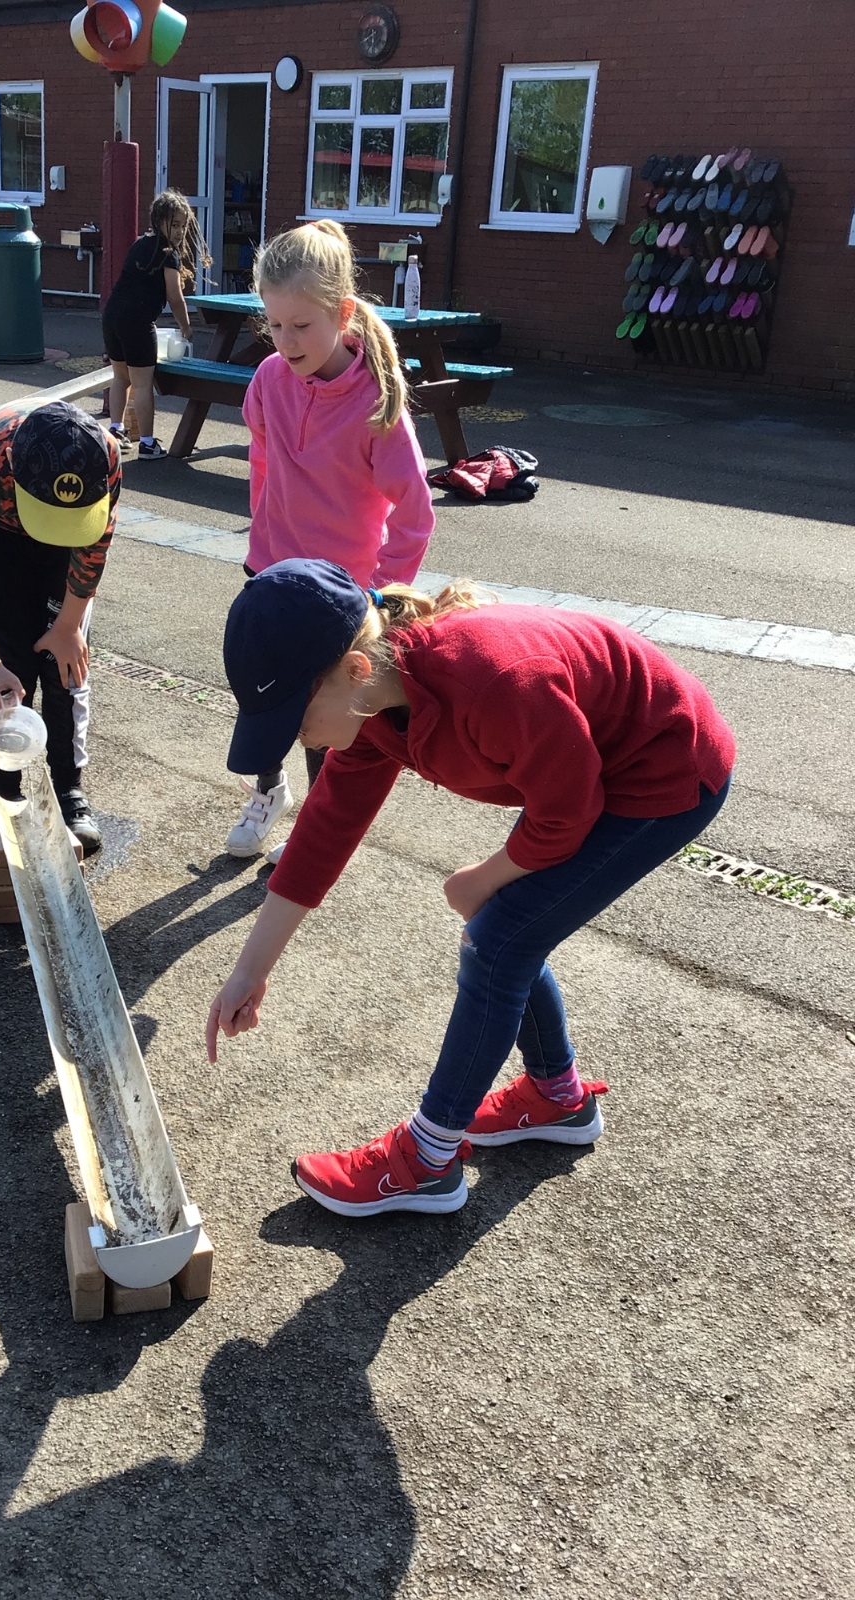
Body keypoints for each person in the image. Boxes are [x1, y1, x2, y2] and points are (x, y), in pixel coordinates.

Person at [206, 559, 736, 1218]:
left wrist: (484, 877)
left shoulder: (492, 681)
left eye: (295, 721)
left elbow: (567, 816)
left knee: (498, 939)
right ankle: (557, 1098)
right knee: (507, 934)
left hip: (665, 774)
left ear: (355, 670)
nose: (293, 740)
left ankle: (428, 1162)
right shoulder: (371, 709)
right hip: (583, 774)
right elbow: (324, 833)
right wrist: (250, 971)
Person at [225, 219, 434, 861]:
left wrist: (379, 597)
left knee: (324, 719)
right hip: (270, 573)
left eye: (300, 325)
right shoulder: (268, 379)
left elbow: (415, 513)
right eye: (274, 325)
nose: (285, 341)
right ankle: (268, 790)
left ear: (343, 314)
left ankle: (316, 827)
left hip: (341, 600)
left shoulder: (377, 404)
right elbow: (262, 461)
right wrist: (263, 533)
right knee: (262, 692)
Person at [0, 398, 122, 853]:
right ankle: (2, 784)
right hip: (3, 539)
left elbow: (93, 550)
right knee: (12, 667)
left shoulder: (105, 456)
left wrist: (69, 626)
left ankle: (69, 787)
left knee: (67, 670)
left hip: (71, 543)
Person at [101, 189, 206, 460]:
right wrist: (186, 327)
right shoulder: (168, 253)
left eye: (183, 225)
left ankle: (115, 431)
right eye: (175, 225)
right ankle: (147, 444)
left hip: (112, 316)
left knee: (120, 377)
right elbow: (175, 296)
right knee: (143, 384)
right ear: (159, 221)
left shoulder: (139, 244)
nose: (180, 231)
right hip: (137, 322)